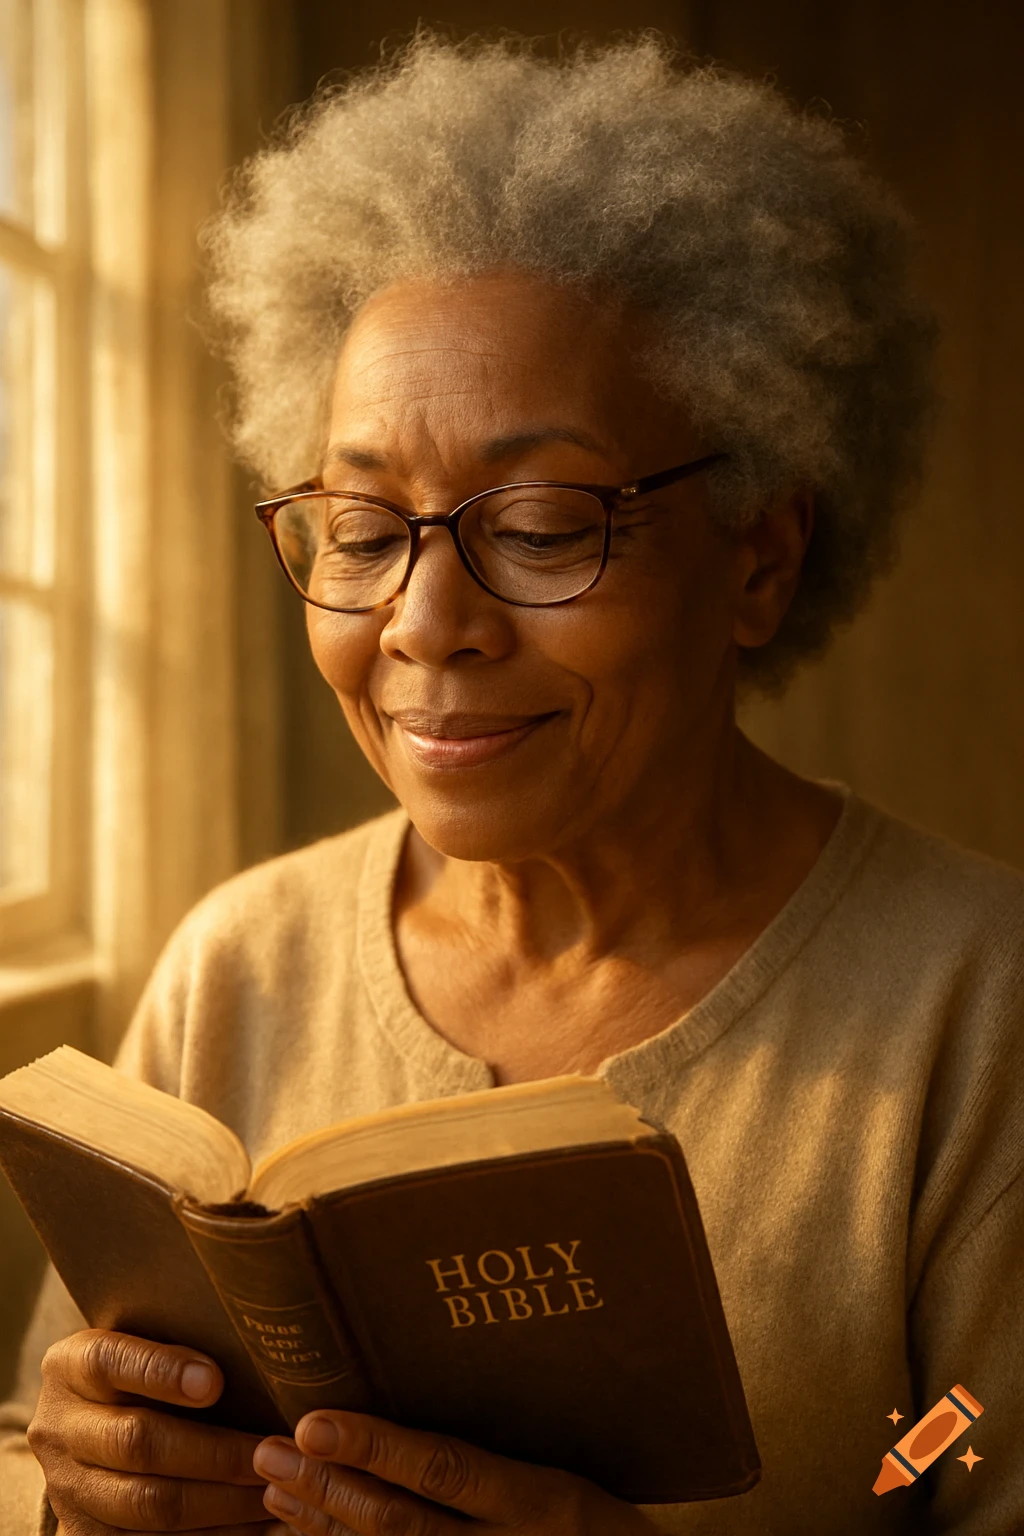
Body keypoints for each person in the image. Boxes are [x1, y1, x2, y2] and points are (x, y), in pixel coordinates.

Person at [2, 30, 1021, 1536]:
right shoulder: (239, 966)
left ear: (758, 556)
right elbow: (47, 1448)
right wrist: (82, 1481)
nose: (425, 624)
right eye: (363, 530)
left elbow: (954, 1457)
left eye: (541, 528)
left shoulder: (979, 1012)